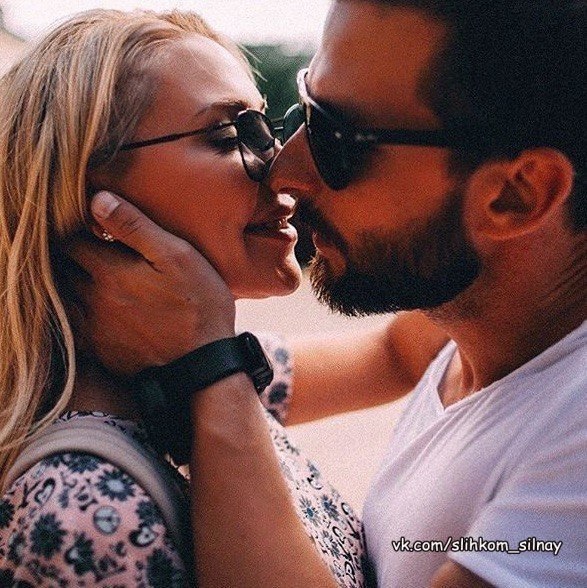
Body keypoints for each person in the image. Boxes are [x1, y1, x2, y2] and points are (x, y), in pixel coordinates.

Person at [63, 0, 586, 586]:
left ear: (516, 196)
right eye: (304, 112)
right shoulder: (481, 335)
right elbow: (392, 355)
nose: (284, 169)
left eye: (338, 138)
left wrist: (207, 365)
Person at [0, 8, 451, 587]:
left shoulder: (204, 373)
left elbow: (399, 354)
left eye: (267, 127)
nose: (280, 166)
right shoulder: (83, 511)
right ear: (95, 203)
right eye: (229, 135)